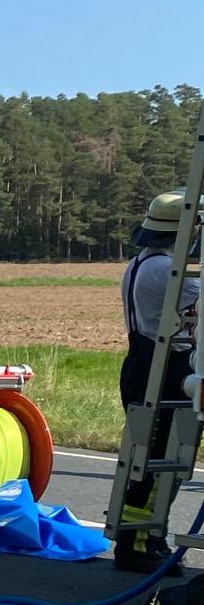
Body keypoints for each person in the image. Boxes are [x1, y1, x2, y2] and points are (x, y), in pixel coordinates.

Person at [117, 189, 198, 572]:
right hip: (162, 369)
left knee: (150, 460)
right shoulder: (166, 270)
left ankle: (144, 538)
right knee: (155, 464)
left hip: (145, 362)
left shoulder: (141, 263)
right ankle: (138, 544)